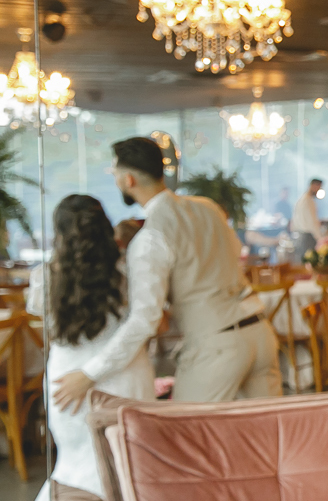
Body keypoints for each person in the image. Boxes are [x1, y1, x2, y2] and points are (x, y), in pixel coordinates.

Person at [0, 195, 155, 501]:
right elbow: (141, 325)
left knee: (73, 467)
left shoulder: (45, 277)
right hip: (119, 376)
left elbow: (49, 326)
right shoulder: (126, 272)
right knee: (121, 469)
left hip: (66, 380)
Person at [52, 137, 282, 406]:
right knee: (266, 430)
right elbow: (235, 252)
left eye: (115, 174)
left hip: (216, 344)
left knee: (184, 429)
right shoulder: (208, 207)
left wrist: (88, 374)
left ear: (128, 180)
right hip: (260, 333)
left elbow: (145, 319)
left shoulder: (149, 238)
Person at [293, 178, 323, 261]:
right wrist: (320, 239)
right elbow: (312, 222)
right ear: (313, 186)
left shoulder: (301, 200)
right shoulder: (308, 201)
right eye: (319, 188)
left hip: (301, 237)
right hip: (308, 238)